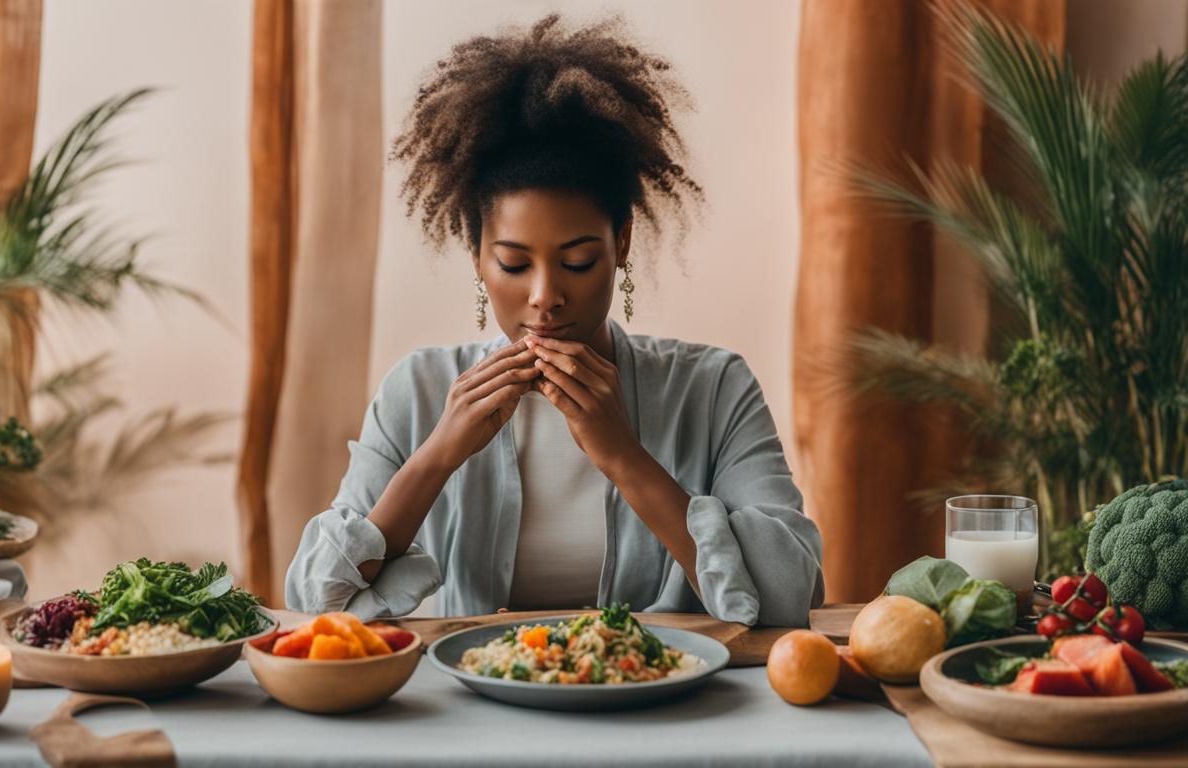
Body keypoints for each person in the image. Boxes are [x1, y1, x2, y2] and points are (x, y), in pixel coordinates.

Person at [286, 14, 823, 626]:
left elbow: (789, 596)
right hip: (466, 713)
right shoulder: (416, 390)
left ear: (621, 244)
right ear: (478, 259)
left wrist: (624, 456)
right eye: (514, 264)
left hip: (660, 707)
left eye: (578, 261)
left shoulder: (715, 387)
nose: (545, 296)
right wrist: (437, 456)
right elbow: (314, 603)